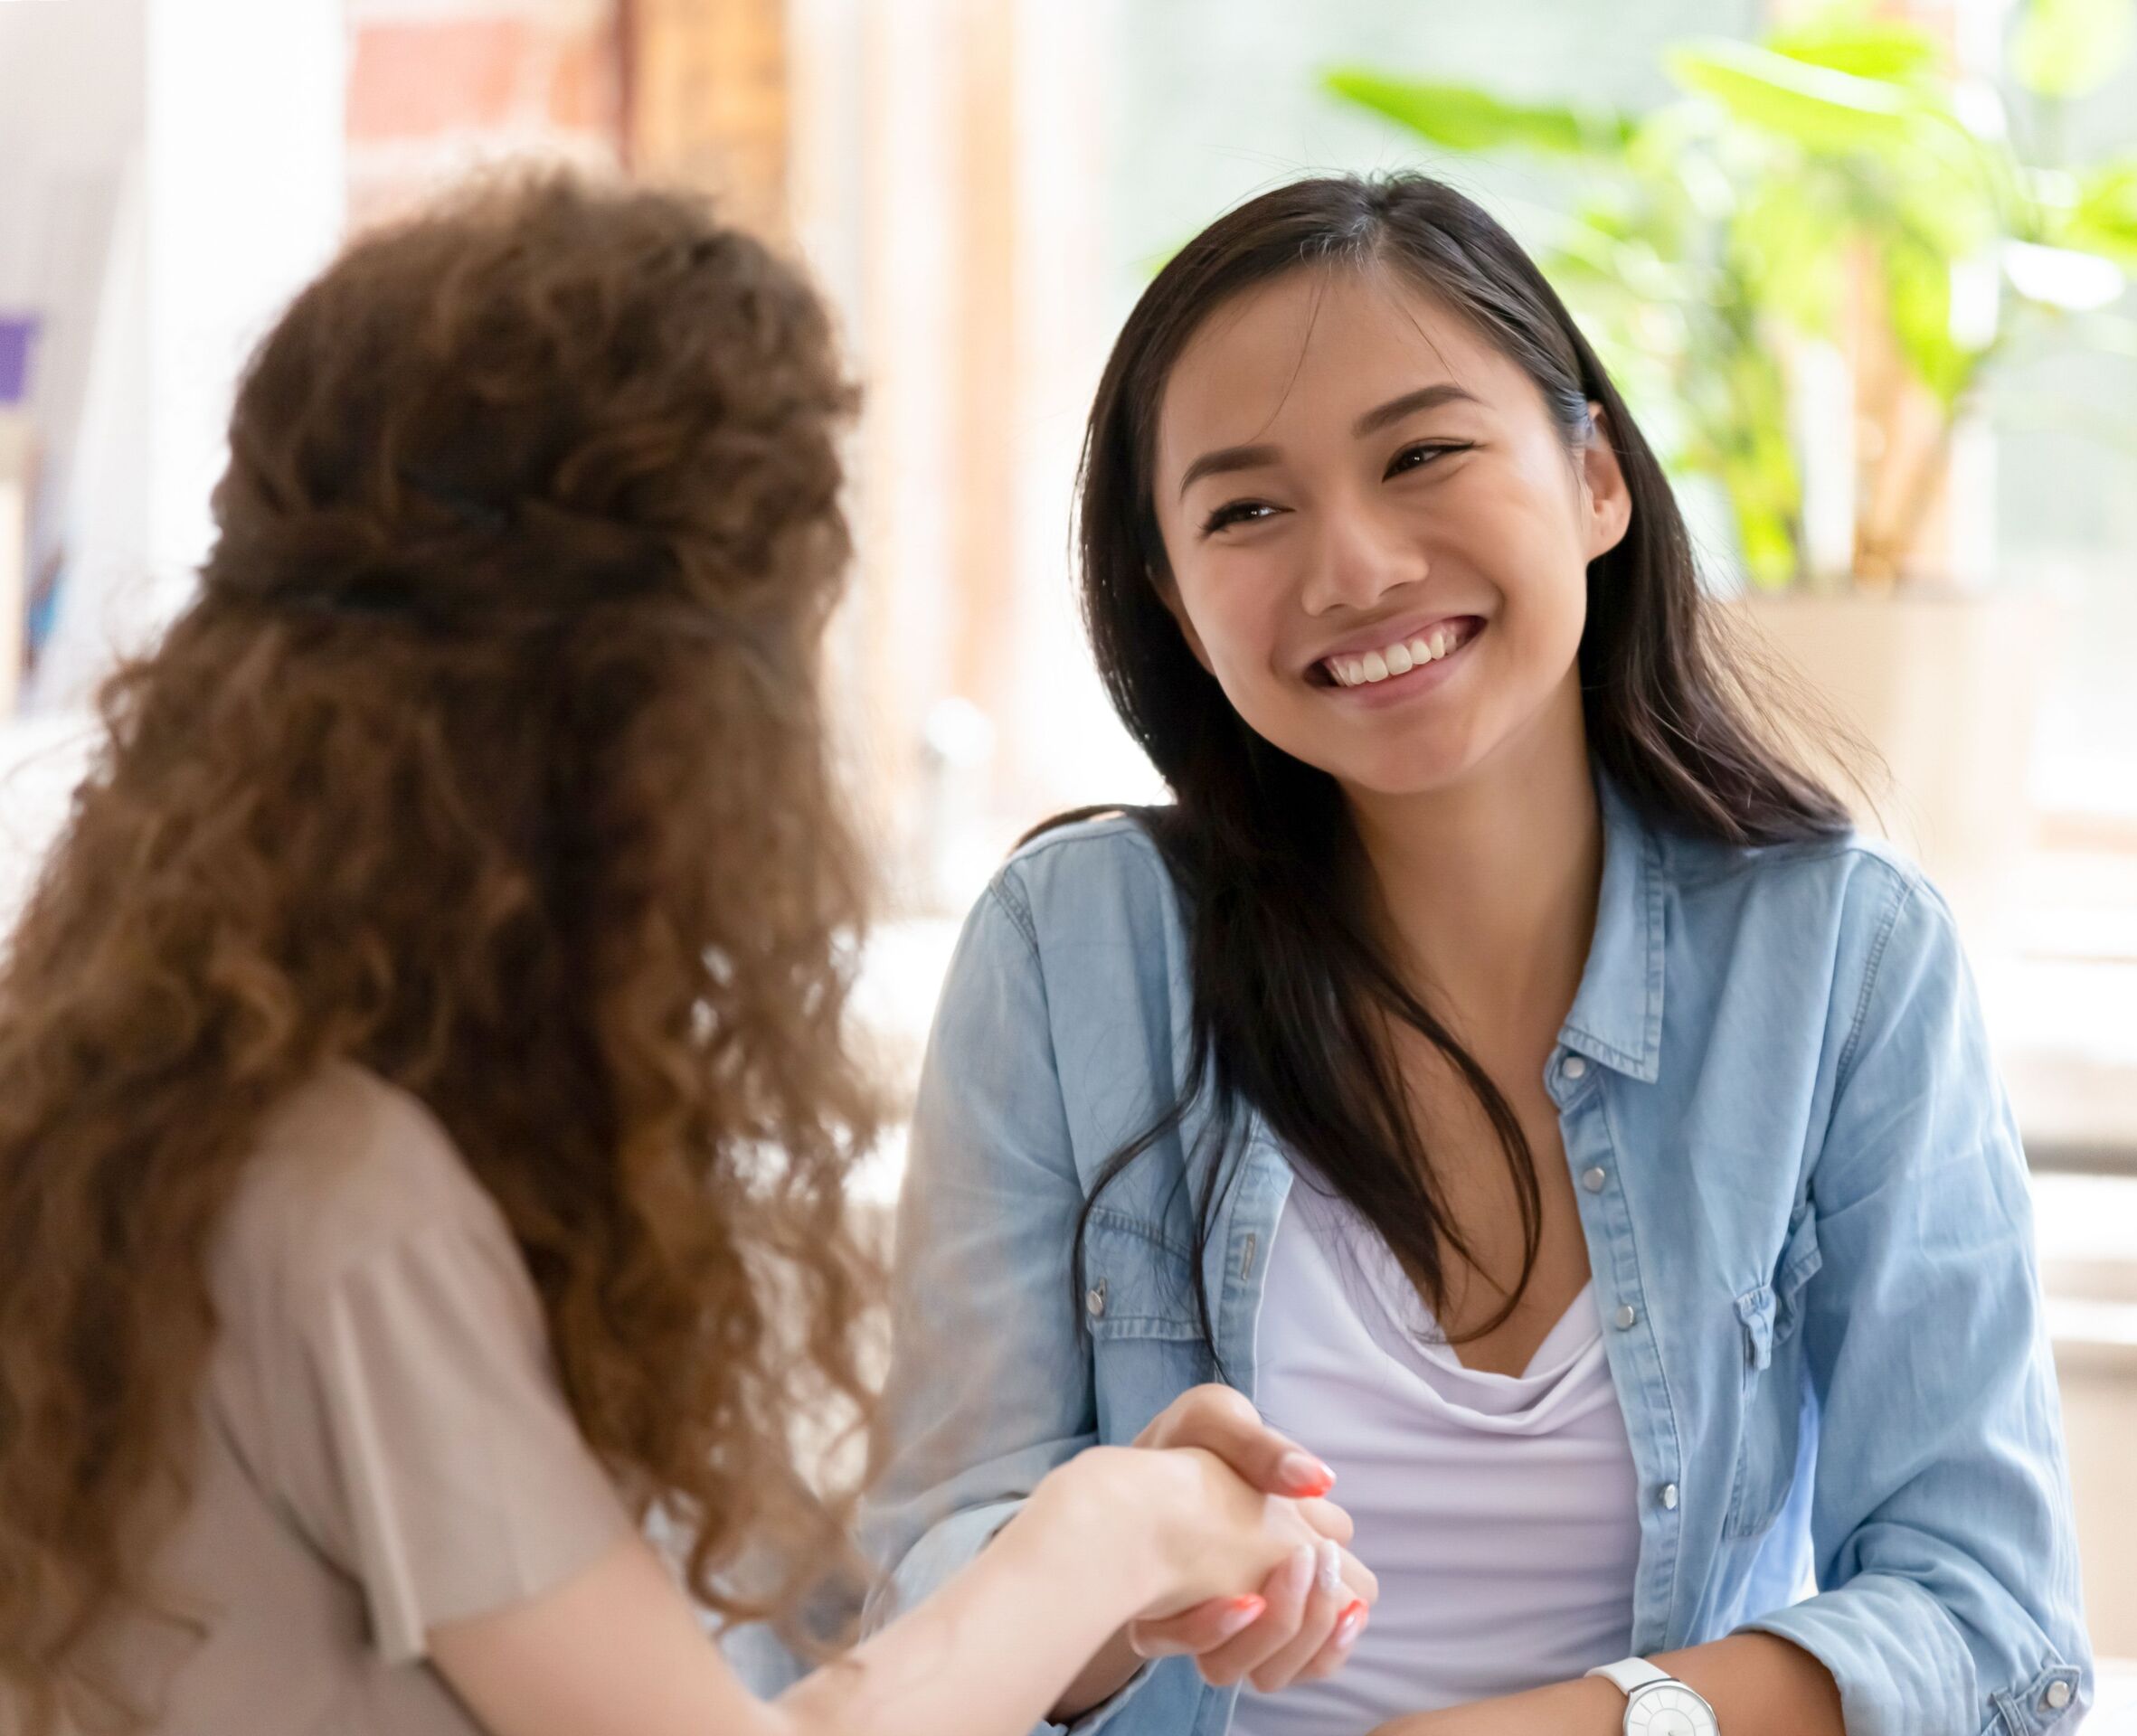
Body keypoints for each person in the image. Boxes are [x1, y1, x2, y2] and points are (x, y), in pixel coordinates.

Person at [0, 172, 1363, 1736]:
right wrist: (1109, 1529)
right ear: (660, 704)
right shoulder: (344, 1208)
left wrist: (1119, 1535)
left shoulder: (178, 1117)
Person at [865, 173, 2094, 1736]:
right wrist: (1107, 1579)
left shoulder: (1843, 956)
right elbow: (925, 1587)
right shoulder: (1074, 949)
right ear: (1172, 598)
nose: (1355, 567)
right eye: (1248, 508)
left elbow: (1993, 1622)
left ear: (1594, 478)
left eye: (1425, 453)